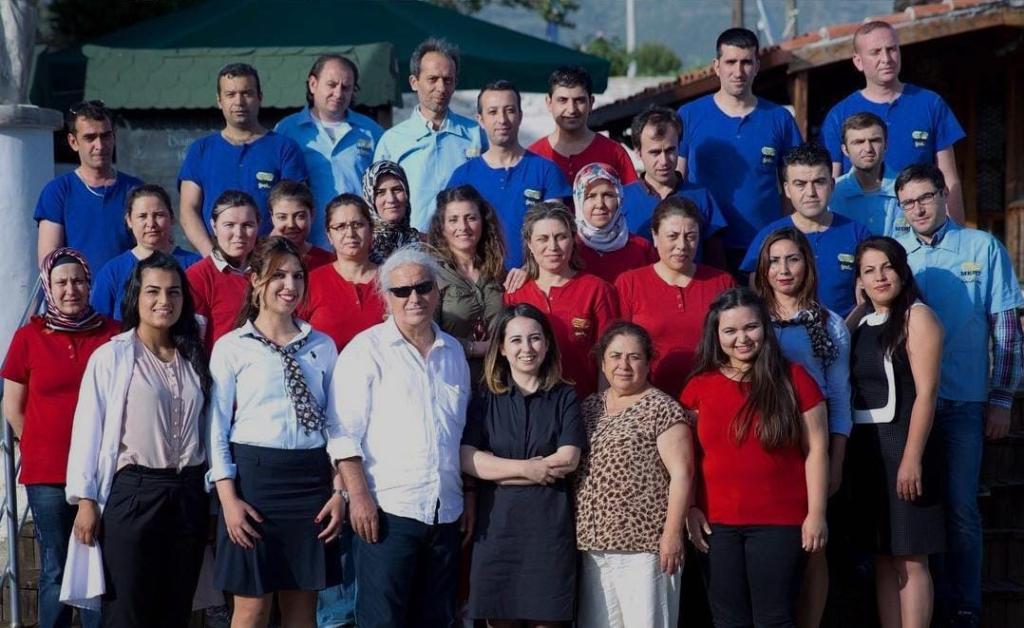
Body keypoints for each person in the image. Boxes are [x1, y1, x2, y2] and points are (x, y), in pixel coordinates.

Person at [894, 164, 1023, 627]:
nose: (918, 209)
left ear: (944, 195)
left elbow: (1005, 326)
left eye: (925, 197)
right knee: (917, 508)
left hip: (964, 401)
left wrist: (1002, 398)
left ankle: (965, 607)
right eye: (908, 203)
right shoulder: (896, 254)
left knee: (962, 508)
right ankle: (926, 606)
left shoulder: (982, 247)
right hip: (908, 408)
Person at [65, 252, 211, 627]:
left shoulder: (194, 355)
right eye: (153, 291)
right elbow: (88, 428)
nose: (164, 300)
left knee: (175, 609)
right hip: (135, 492)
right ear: (136, 296)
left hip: (188, 493)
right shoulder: (113, 356)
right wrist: (85, 500)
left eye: (174, 292)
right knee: (127, 608)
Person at [328, 246, 472, 628]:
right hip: (388, 512)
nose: (414, 298)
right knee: (382, 621)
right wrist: (359, 497)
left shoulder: (454, 353)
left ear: (437, 291)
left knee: (436, 621)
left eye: (423, 287)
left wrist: (468, 494)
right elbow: (343, 433)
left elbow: (461, 433)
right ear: (386, 297)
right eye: (401, 291)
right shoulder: (365, 351)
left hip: (446, 511)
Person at [208, 237, 344, 628]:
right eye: (278, 275)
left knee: (302, 610)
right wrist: (228, 499)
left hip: (310, 482)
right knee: (251, 610)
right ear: (256, 280)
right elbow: (216, 428)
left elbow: (337, 423)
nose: (290, 285)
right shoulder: (232, 347)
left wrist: (340, 491)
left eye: (298, 276)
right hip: (255, 482)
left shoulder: (322, 345)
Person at [682, 287, 828, 628]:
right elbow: (685, 459)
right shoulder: (698, 387)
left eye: (751, 327)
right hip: (715, 523)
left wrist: (817, 514)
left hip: (781, 522)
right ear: (716, 335)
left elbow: (817, 450)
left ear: (765, 327)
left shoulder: (795, 379)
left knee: (774, 619)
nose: (742, 339)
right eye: (730, 331)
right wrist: (690, 508)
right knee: (727, 620)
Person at [1, 248, 118, 628]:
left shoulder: (113, 334)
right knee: (57, 565)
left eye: (79, 281)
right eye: (62, 282)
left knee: (99, 561)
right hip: (48, 473)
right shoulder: (28, 337)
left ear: (89, 284)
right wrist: (36, 443)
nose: (71, 289)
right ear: (48, 287)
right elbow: (12, 406)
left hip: (102, 472)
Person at [750, 227, 853, 628]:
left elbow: (840, 396)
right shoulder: (751, 319)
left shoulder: (829, 323)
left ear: (807, 264)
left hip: (812, 444)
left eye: (792, 259)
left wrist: (836, 459)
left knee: (814, 547)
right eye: (774, 261)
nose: (783, 269)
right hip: (761, 445)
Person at [461, 303, 586, 626]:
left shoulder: (565, 396)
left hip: (549, 532)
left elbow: (568, 459)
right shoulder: (485, 397)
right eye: (516, 340)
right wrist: (527, 470)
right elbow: (468, 458)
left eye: (535, 338)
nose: (526, 348)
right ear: (502, 348)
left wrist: (498, 472)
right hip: (497, 531)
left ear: (547, 344)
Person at [849, 237, 946, 628]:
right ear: (859, 280)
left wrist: (911, 458)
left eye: (887, 267)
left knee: (911, 556)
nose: (880, 277)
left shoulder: (918, 317)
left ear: (902, 270)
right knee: (882, 554)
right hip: (866, 451)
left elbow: (927, 394)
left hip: (906, 445)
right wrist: (858, 307)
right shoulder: (860, 322)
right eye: (869, 271)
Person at [575, 322, 695, 628]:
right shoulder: (589, 407)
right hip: (594, 545)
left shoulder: (662, 408)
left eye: (634, 357)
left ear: (648, 361)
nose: (624, 365)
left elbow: (683, 474)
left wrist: (672, 535)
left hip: (646, 547)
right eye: (615, 356)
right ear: (602, 362)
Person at [678, 28, 803, 272]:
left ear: (757, 66)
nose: (738, 71)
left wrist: (783, 235)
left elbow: (794, 186)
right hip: (704, 246)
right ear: (716, 66)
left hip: (763, 249)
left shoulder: (779, 118)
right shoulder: (689, 115)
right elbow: (677, 180)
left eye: (746, 62)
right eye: (730, 62)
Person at [820, 21, 965, 222]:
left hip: (919, 225)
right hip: (858, 225)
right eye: (876, 52)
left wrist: (955, 232)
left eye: (892, 49)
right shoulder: (839, 114)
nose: (886, 59)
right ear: (858, 61)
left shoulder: (930, 104)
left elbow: (948, 177)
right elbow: (831, 182)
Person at [178, 63, 307, 255]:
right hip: (215, 260)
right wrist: (213, 257)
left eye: (247, 93)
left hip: (269, 260)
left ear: (260, 97)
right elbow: (188, 210)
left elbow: (294, 208)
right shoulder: (201, 150)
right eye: (230, 94)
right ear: (219, 100)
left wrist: (263, 257)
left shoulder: (284, 148)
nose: (239, 101)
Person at [615, 197, 735, 398]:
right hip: (648, 400)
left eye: (690, 236)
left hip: (712, 396)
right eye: (672, 236)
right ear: (655, 236)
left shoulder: (722, 282)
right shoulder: (630, 283)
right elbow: (617, 348)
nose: (682, 245)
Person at [446, 80, 571, 269]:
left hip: (534, 279)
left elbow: (555, 233)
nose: (502, 119)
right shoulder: (463, 176)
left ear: (520, 116)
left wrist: (528, 271)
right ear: (480, 119)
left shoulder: (546, 171)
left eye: (510, 110)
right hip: (479, 281)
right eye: (493, 112)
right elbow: (451, 236)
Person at [504, 201, 619, 399]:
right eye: (542, 239)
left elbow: (608, 353)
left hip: (583, 402)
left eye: (561, 237)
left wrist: (602, 404)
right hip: (530, 405)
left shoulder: (596, 289)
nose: (553, 247)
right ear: (530, 244)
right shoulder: (515, 293)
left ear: (573, 240)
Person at [741, 143, 871, 316]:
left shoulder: (858, 234)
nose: (810, 192)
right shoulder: (768, 237)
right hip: (783, 331)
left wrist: (846, 328)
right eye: (800, 184)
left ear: (832, 185)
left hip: (849, 330)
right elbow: (757, 299)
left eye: (819, 182)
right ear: (787, 189)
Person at [374, 38, 486, 230]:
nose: (441, 88)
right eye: (433, 79)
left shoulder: (475, 134)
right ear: (414, 82)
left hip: (462, 240)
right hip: (411, 242)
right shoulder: (392, 141)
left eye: (448, 80)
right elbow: (378, 203)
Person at [275, 54, 383, 248]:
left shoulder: (371, 131)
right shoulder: (286, 130)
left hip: (357, 243)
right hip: (306, 245)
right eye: (331, 85)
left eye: (346, 87)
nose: (338, 93)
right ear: (313, 84)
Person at [35, 101, 143, 271]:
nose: (100, 145)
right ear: (73, 142)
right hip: (78, 287)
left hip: (128, 286)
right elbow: (49, 261)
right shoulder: (58, 192)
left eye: (105, 136)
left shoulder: (136, 190)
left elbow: (152, 249)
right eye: (90, 138)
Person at [620, 106, 728, 267]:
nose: (664, 161)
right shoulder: (621, 200)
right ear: (638, 152)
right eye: (655, 152)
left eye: (670, 150)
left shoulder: (702, 197)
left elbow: (716, 263)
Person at [428, 185, 507, 385]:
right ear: (442, 227)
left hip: (499, 379)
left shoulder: (497, 270)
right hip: (452, 380)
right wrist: (475, 348)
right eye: (453, 220)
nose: (463, 227)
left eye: (470, 218)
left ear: (483, 222)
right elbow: (426, 335)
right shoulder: (431, 274)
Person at [91, 184, 202, 320]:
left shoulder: (196, 266)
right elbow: (99, 323)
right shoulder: (112, 272)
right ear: (129, 221)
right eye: (142, 216)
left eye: (159, 215)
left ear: (172, 218)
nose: (151, 223)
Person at [301, 193, 386, 351]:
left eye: (357, 225)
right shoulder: (311, 283)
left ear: (371, 230)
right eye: (340, 227)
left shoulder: (392, 281)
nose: (350, 233)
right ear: (329, 236)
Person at [529, 66, 638, 186]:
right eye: (562, 100)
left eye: (579, 100)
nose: (571, 109)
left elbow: (633, 196)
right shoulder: (533, 157)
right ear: (549, 103)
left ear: (591, 102)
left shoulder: (614, 153)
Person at [186, 190, 260, 351]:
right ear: (214, 227)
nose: (239, 234)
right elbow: (192, 343)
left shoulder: (268, 271)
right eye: (229, 225)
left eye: (247, 225)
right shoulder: (198, 276)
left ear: (258, 226)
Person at [572, 162, 656, 283]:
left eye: (607, 195)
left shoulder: (641, 248)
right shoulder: (569, 248)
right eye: (590, 196)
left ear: (619, 198)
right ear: (578, 200)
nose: (600, 204)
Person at [831, 112, 909, 238]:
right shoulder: (833, 194)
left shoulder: (908, 190)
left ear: (886, 145)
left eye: (875, 141)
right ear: (845, 150)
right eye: (858, 142)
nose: (868, 149)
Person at [363, 160, 423, 264]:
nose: (391, 199)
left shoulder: (426, 243)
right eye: (380, 192)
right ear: (370, 198)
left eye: (397, 189)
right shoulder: (360, 245)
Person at [268, 180, 335, 270]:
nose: (291, 225)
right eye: (282, 217)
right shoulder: (262, 261)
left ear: (312, 215)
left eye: (300, 216)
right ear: (272, 217)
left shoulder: (329, 262)